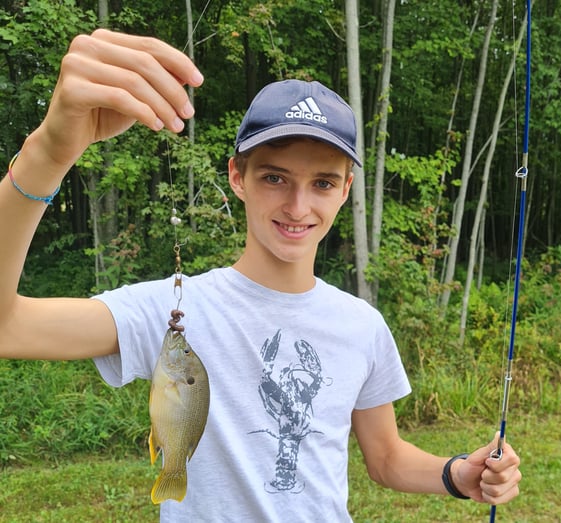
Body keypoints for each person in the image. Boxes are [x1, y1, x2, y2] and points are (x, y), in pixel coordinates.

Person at [0, 30, 521, 522]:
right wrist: (49, 152)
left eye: (322, 182)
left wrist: (457, 474)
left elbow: (386, 459)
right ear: (237, 176)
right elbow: (9, 327)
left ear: (345, 190)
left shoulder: (363, 324)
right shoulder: (174, 310)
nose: (298, 206)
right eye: (275, 177)